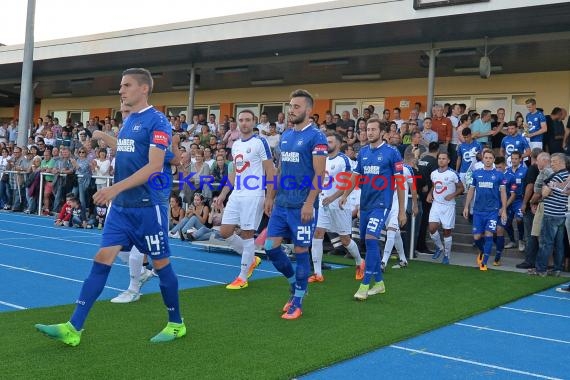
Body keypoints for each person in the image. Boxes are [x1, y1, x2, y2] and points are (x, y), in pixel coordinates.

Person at [35, 68, 185, 345]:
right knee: (101, 258)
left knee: (162, 266)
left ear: (143, 89)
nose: (121, 90)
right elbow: (130, 149)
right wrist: (106, 139)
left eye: (126, 85)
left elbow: (154, 165)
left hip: (148, 207)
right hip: (122, 209)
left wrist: (113, 188)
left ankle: (176, 323)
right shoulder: (129, 121)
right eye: (120, 85)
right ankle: (74, 327)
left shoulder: (158, 121)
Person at [263, 89, 327, 320]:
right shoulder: (286, 136)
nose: (292, 110)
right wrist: (270, 196)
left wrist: (309, 203)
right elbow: (279, 170)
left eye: (297, 107)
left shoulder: (316, 137)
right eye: (291, 106)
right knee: (270, 248)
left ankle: (298, 300)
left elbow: (320, 173)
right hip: (281, 204)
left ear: (309, 111)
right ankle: (294, 283)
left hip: (302, 206)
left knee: (301, 250)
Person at [339, 118, 406, 300]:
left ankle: (365, 285)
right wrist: (345, 195)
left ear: (382, 132)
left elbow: (401, 184)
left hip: (382, 204)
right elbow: (355, 176)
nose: (369, 132)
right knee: (366, 242)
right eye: (367, 129)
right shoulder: (363, 152)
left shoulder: (392, 153)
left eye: (373, 129)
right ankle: (379, 283)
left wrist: (401, 210)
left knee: (370, 239)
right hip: (366, 204)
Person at [215, 109, 275, 290]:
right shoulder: (235, 145)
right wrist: (224, 194)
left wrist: (270, 197)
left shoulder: (260, 142)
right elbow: (234, 172)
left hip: (254, 193)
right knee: (225, 231)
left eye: (248, 120)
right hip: (237, 194)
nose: (244, 123)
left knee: (248, 233)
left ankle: (242, 277)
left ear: (254, 121)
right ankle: (252, 259)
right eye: (241, 120)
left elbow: (270, 170)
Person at [309, 133, 364, 283]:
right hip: (323, 204)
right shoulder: (323, 160)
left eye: (330, 141)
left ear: (339, 144)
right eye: (326, 141)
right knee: (318, 234)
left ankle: (360, 262)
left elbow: (348, 184)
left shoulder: (344, 160)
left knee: (345, 240)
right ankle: (317, 273)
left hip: (340, 206)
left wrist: (333, 198)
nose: (327, 144)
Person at [462, 149, 507, 271]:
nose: (488, 160)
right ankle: (482, 251)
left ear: (493, 160)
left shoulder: (499, 175)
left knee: (489, 234)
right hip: (478, 211)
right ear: (483, 159)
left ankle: (484, 263)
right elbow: (471, 190)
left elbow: (503, 192)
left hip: (492, 211)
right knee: (477, 237)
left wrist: (504, 209)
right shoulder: (476, 173)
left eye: (490, 158)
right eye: (486, 158)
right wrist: (466, 206)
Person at [427, 152, 463, 264]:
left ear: (448, 161)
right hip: (436, 204)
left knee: (447, 231)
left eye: (443, 159)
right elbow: (434, 185)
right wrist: (430, 194)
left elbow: (461, 188)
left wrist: (452, 195)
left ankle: (446, 255)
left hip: (448, 206)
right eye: (439, 158)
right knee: (432, 228)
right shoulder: (433, 173)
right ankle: (439, 247)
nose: (441, 160)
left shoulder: (453, 174)